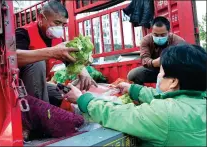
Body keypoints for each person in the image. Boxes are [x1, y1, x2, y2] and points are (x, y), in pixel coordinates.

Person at [65, 43, 207, 146]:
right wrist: (134, 90)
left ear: (173, 82)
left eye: (161, 72)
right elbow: (168, 99)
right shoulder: (200, 100)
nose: (159, 75)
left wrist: (83, 100)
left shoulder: (165, 114)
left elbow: (118, 114)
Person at [15, 0, 96, 106]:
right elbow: (14, 58)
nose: (59, 28)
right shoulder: (23, 33)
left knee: (62, 93)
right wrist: (51, 52)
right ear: (40, 18)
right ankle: (43, 114)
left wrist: (83, 71)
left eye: (63, 25)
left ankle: (62, 111)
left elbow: (70, 59)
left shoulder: (58, 40)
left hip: (40, 85)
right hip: (18, 86)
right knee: (38, 63)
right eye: (57, 23)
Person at [127, 16, 185, 85]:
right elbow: (144, 59)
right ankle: (140, 92)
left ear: (168, 32)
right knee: (133, 75)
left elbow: (185, 60)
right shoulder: (146, 40)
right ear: (152, 31)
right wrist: (154, 62)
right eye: (156, 35)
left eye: (163, 35)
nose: (159, 38)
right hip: (154, 69)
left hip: (173, 71)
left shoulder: (178, 41)